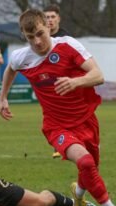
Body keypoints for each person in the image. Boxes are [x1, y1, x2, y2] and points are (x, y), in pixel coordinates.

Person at [0, 9, 116, 206]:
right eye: (30, 38)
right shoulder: (22, 57)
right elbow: (10, 69)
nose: (37, 42)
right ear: (24, 36)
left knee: (90, 167)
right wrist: (3, 99)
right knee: (85, 163)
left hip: (86, 120)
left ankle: (78, 197)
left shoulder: (67, 45)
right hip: (55, 126)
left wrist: (77, 82)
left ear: (49, 27)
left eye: (40, 33)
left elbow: (98, 75)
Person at [44, 4, 69, 159]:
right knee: (51, 116)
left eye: (53, 17)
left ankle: (63, 145)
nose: (50, 20)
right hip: (46, 83)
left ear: (58, 18)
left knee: (65, 114)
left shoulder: (66, 38)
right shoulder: (40, 37)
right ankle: (59, 145)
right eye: (46, 17)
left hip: (64, 81)